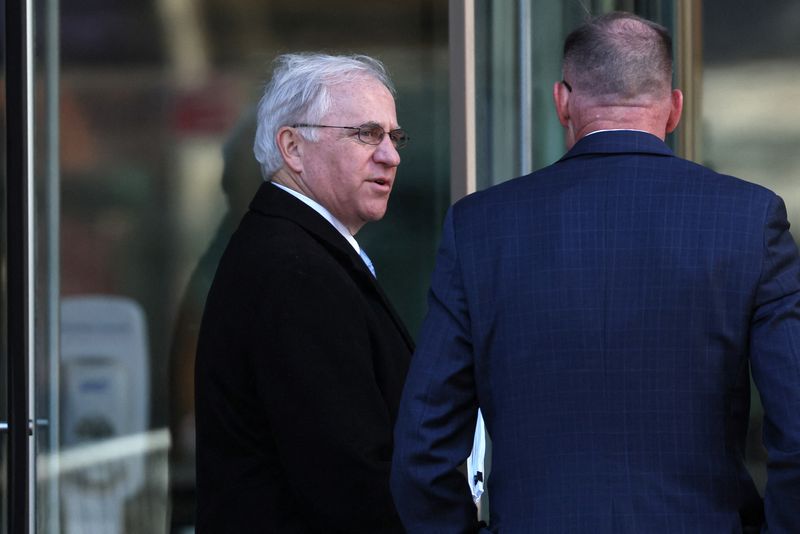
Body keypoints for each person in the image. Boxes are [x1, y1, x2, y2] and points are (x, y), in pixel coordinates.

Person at [391, 12, 800, 533]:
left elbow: (422, 451)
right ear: (674, 107)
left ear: (562, 101)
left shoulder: (481, 227)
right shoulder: (748, 220)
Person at [194, 53, 414, 533]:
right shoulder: (293, 267)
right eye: (366, 134)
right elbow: (346, 476)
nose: (390, 155)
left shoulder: (295, 250)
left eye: (394, 137)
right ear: (292, 148)